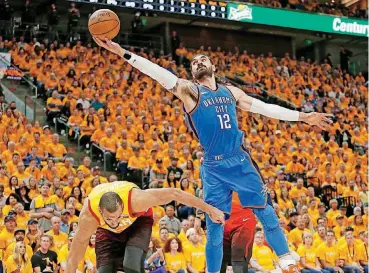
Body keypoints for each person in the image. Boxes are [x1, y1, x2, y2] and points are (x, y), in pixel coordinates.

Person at [93, 37, 332, 273]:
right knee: (215, 225)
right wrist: (123, 52)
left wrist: (303, 116)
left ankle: (285, 258)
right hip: (213, 168)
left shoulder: (231, 91)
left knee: (265, 210)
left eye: (203, 59)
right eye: (194, 61)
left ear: (213, 66)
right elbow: (158, 74)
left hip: (238, 159)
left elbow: (265, 108)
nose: (198, 62)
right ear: (192, 71)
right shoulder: (190, 91)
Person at [66, 181, 224, 273]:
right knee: (105, 270)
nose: (115, 222)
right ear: (100, 212)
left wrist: (210, 210)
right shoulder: (89, 216)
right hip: (105, 231)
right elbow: (74, 256)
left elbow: (175, 194)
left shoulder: (137, 199)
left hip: (138, 221)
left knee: (131, 264)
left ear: (123, 205)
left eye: (118, 216)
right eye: (109, 218)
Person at [220, 193, 257, 273]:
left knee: (239, 254)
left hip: (244, 218)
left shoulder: (249, 182)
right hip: (223, 217)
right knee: (221, 256)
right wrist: (198, 217)